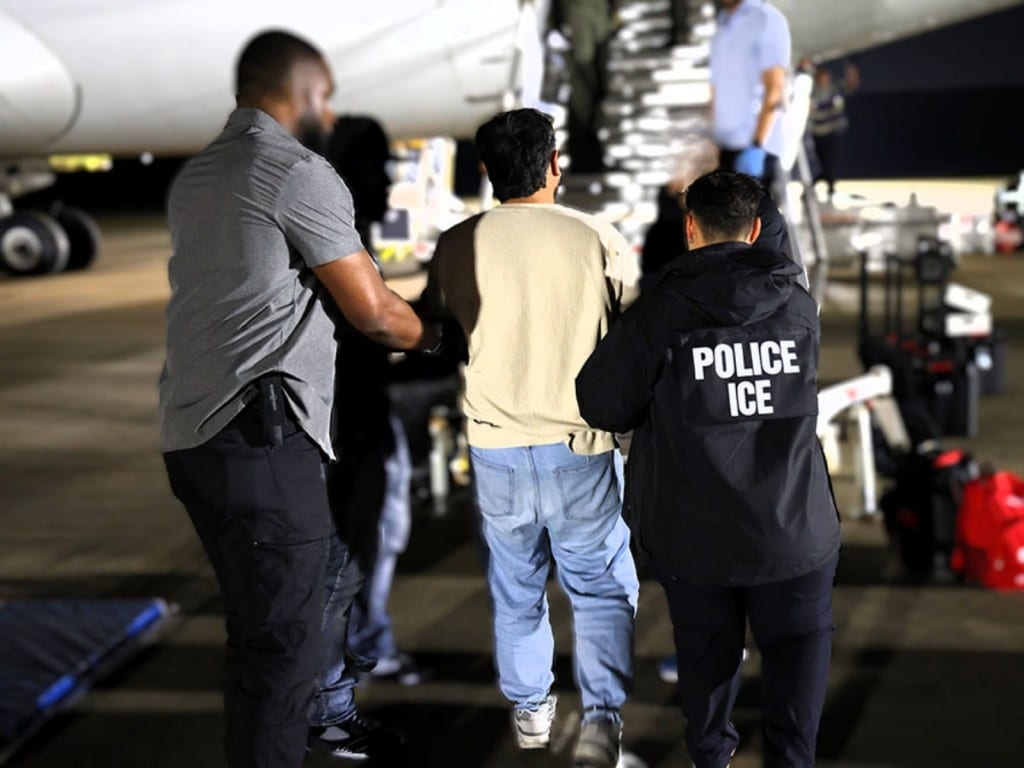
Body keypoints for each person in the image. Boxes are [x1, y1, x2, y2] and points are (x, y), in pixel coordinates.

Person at [160, 30, 438, 768]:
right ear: (302, 92)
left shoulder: (199, 176)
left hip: (193, 436)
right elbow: (374, 311)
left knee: (283, 617)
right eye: (326, 93)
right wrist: (436, 335)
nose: (332, 106)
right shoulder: (293, 170)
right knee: (282, 649)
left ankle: (312, 726)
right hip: (260, 436)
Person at [576, 170, 841, 768]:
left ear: (689, 229)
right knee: (798, 675)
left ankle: (712, 759)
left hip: (697, 536)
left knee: (706, 666)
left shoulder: (661, 313)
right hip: (794, 527)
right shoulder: (798, 306)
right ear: (756, 230)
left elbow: (601, 401)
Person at [422, 107, 640, 768]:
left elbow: (435, 328)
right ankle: (601, 720)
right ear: (554, 164)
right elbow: (639, 330)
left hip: (494, 449)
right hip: (581, 447)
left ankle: (531, 713)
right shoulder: (596, 237)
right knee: (599, 590)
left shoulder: (458, 245)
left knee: (516, 589)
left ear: (486, 172)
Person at [709, 0, 791, 203]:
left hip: (756, 150)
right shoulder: (722, 22)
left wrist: (757, 145)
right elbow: (717, 85)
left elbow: (774, 87)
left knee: (758, 228)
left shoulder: (766, 19)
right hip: (727, 147)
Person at [552, 0, 614, 173]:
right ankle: (586, 158)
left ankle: (591, 156)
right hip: (580, 25)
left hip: (597, 22)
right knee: (583, 100)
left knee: (594, 96)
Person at [809, 60, 859, 200]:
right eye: (820, 75)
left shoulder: (835, 88)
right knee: (817, 161)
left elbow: (852, 86)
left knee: (830, 160)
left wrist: (852, 69)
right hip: (817, 132)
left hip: (832, 132)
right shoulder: (812, 90)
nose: (823, 78)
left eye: (825, 75)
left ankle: (830, 187)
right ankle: (814, 185)